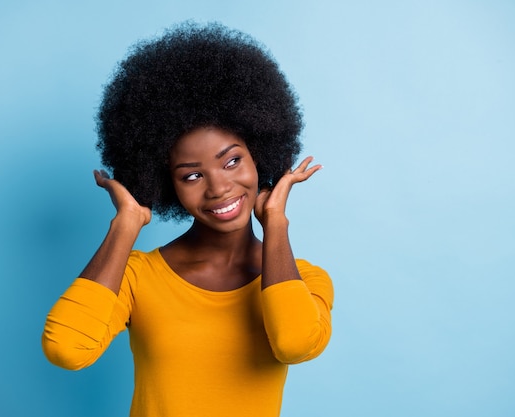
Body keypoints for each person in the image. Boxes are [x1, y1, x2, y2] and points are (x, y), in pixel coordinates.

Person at [42, 21, 334, 417]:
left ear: (260, 157)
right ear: (167, 183)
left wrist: (276, 222)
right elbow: (66, 348)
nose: (219, 187)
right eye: (192, 175)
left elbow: (295, 343)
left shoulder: (304, 281)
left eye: (232, 161)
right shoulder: (136, 276)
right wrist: (126, 223)